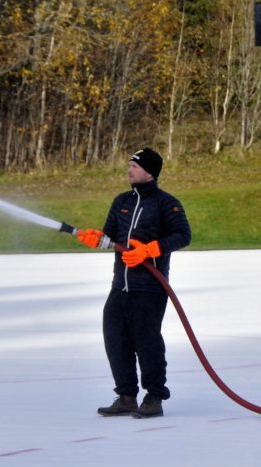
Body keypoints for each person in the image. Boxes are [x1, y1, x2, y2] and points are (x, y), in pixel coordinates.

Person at [77, 147, 192, 418]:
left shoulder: (166, 203)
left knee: (147, 341)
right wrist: (97, 238)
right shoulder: (121, 201)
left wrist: (151, 249)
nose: (129, 170)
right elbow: (110, 235)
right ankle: (126, 395)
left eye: (135, 166)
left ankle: (154, 397)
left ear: (150, 172)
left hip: (150, 287)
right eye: (129, 165)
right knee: (115, 338)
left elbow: (182, 235)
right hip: (121, 286)